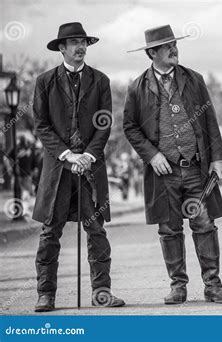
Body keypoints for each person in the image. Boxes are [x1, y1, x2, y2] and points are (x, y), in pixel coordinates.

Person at [123, 25, 222, 304]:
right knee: (169, 228)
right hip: (163, 171)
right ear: (152, 53)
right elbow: (130, 127)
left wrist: (218, 158)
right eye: (166, 46)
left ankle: (213, 285)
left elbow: (209, 121)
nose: (174, 49)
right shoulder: (137, 87)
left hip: (196, 167)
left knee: (204, 224)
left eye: (174, 43)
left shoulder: (194, 79)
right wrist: (152, 155)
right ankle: (178, 287)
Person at [32, 22, 125, 311]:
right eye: (73, 42)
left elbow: (104, 123)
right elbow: (41, 125)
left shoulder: (100, 80)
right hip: (57, 170)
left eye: (83, 41)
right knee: (50, 232)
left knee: (96, 230)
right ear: (62, 48)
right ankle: (46, 294)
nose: (80, 47)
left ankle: (102, 293)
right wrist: (67, 155)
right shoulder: (44, 82)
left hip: (90, 169)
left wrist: (87, 156)